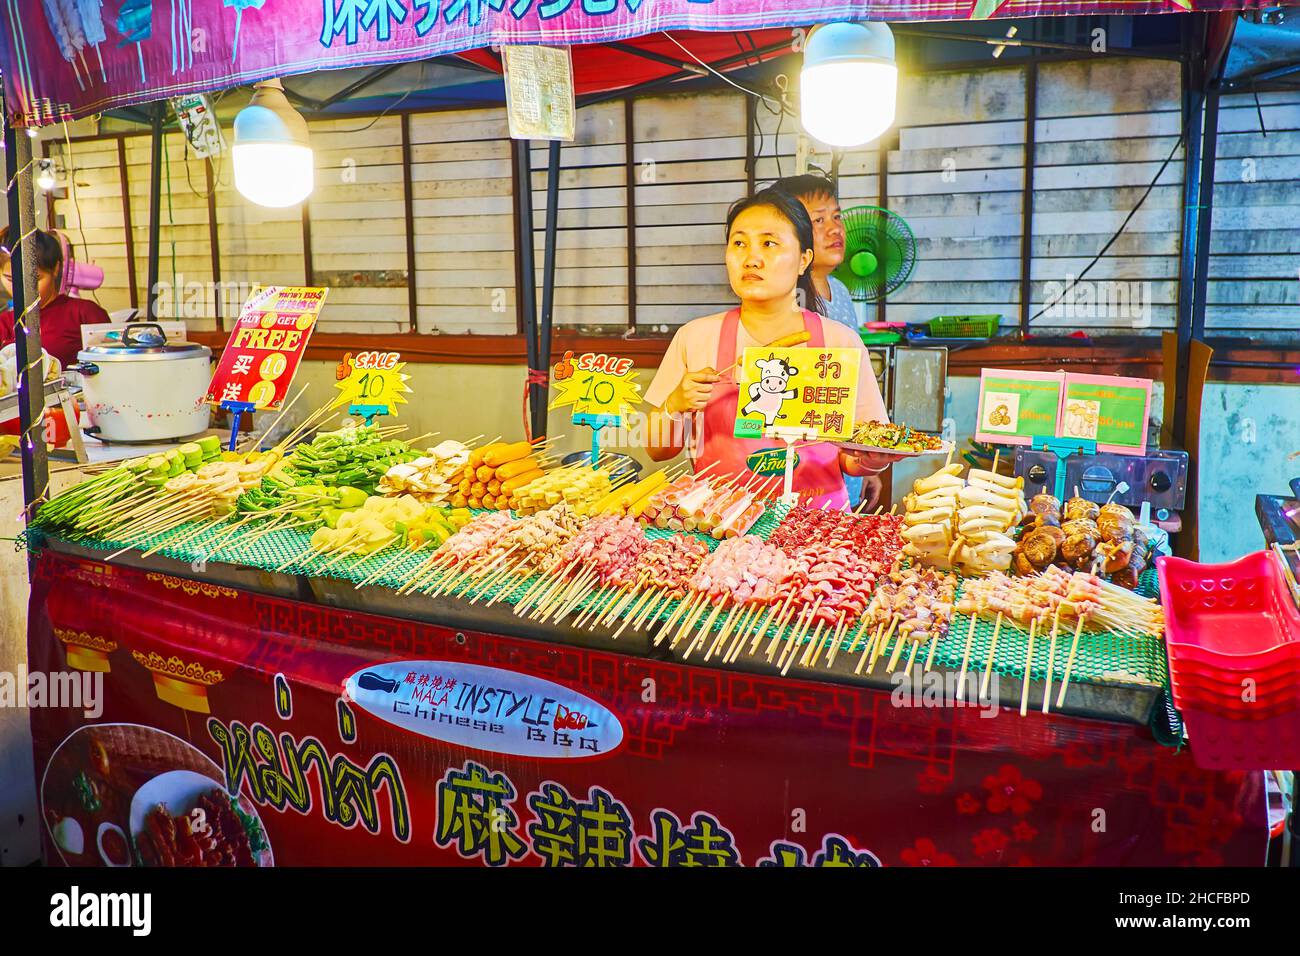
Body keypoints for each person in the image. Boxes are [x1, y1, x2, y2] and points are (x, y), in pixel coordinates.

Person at [642, 188, 898, 509]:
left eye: (769, 243)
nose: (751, 258)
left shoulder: (841, 342)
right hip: (721, 527)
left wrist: (873, 460)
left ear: (804, 259)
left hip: (818, 531)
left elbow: (854, 460)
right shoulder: (695, 337)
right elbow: (657, 449)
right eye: (739, 243)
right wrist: (674, 404)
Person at [0, 227, 110, 368]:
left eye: (34, 279)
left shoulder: (85, 314)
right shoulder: (4, 323)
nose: (21, 289)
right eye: (10, 279)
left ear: (56, 269)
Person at [773, 173, 858, 332]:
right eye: (819, 220)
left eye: (837, 216)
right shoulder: (787, 298)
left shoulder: (840, 289)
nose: (835, 229)